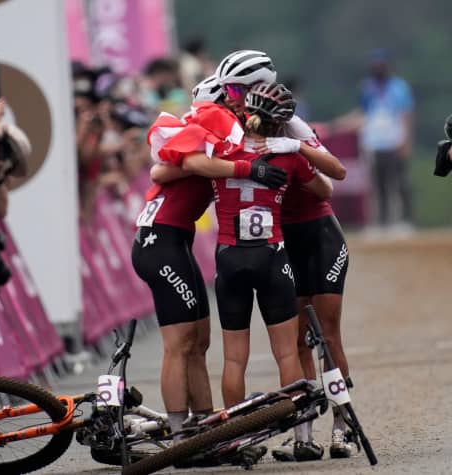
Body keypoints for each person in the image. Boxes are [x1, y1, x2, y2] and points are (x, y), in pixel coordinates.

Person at [211, 49, 352, 461]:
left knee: (327, 334)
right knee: (296, 342)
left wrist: (295, 146)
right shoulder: (227, 121)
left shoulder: (289, 121)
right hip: (279, 239)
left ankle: (342, 425)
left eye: (235, 89)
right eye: (226, 90)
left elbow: (335, 174)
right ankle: (302, 432)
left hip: (317, 232)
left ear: (257, 86)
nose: (229, 97)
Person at [133, 77, 287, 443]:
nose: (239, 106)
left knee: (199, 340)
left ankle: (204, 426)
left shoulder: (209, 143)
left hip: (175, 240)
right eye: (234, 98)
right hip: (160, 241)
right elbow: (163, 171)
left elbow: (162, 170)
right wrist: (248, 170)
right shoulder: (203, 137)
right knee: (181, 342)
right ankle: (177, 433)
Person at [332, 48, 414, 231]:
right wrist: (341, 124)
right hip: (373, 142)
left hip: (394, 140)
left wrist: (406, 140)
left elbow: (406, 114)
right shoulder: (367, 88)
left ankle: (404, 221)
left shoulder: (399, 88)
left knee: (399, 182)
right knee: (377, 184)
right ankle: (382, 222)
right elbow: (363, 114)